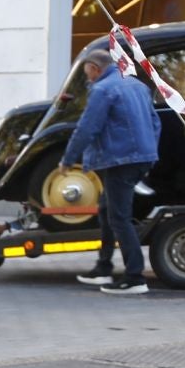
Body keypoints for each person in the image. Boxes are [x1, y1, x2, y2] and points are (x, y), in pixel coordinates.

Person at [62, 48, 160, 295]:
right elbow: (155, 122)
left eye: (89, 74)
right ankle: (103, 266)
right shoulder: (137, 85)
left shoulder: (103, 90)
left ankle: (134, 277)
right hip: (140, 156)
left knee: (119, 217)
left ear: (96, 68)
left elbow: (87, 128)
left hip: (119, 159)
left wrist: (68, 160)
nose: (89, 79)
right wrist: (148, 151)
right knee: (107, 210)